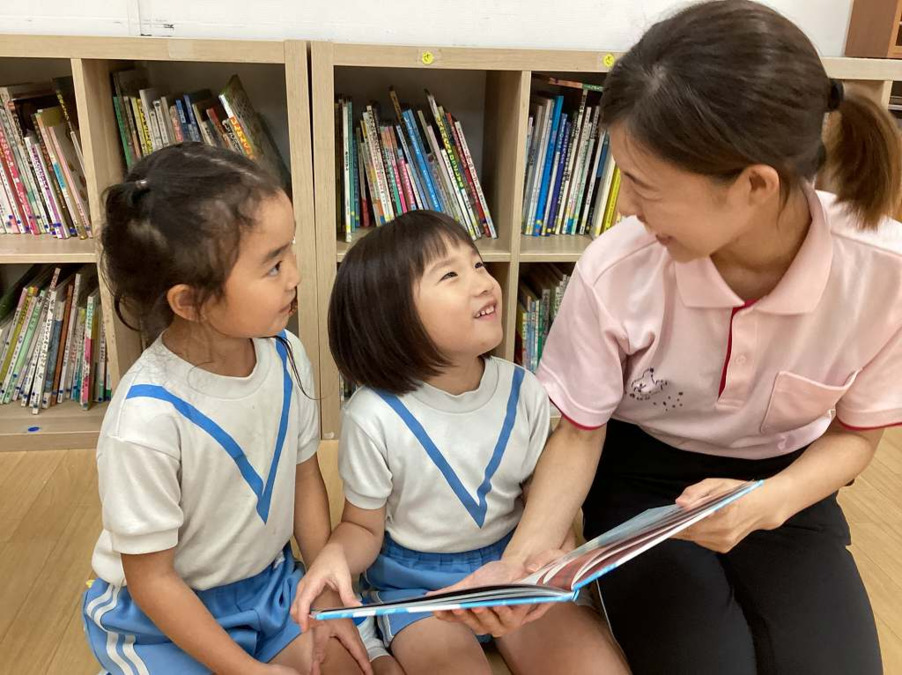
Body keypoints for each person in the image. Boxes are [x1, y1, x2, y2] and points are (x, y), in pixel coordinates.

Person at [438, 2, 901, 673]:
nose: (626, 208)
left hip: (787, 480)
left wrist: (766, 502)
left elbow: (857, 434)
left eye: (646, 186)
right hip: (641, 479)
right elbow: (579, 431)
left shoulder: (881, 271)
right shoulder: (616, 270)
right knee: (709, 659)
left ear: (754, 186)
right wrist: (527, 561)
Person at [81, 143, 390, 675]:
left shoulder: (286, 353)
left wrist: (323, 586)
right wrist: (247, 671)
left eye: (288, 250)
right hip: (157, 622)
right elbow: (151, 579)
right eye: (272, 266)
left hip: (268, 588)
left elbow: (303, 477)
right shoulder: (145, 420)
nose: (294, 274)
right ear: (190, 302)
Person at [291, 211, 629, 674]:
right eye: (450, 274)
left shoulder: (524, 391)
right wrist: (333, 555)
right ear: (392, 317)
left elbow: (545, 504)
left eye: (478, 265)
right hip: (418, 591)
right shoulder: (373, 416)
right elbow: (364, 529)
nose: (483, 282)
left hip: (514, 567)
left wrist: (553, 560)